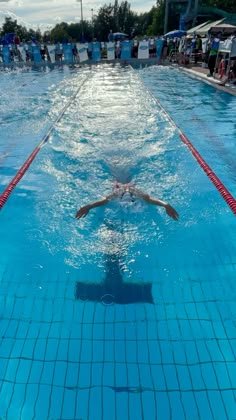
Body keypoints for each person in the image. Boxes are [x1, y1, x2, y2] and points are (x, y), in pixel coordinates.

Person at [75, 182, 179, 221]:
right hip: (119, 181)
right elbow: (105, 199)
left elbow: (148, 199)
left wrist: (166, 205)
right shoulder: (119, 192)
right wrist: (89, 206)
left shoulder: (134, 191)